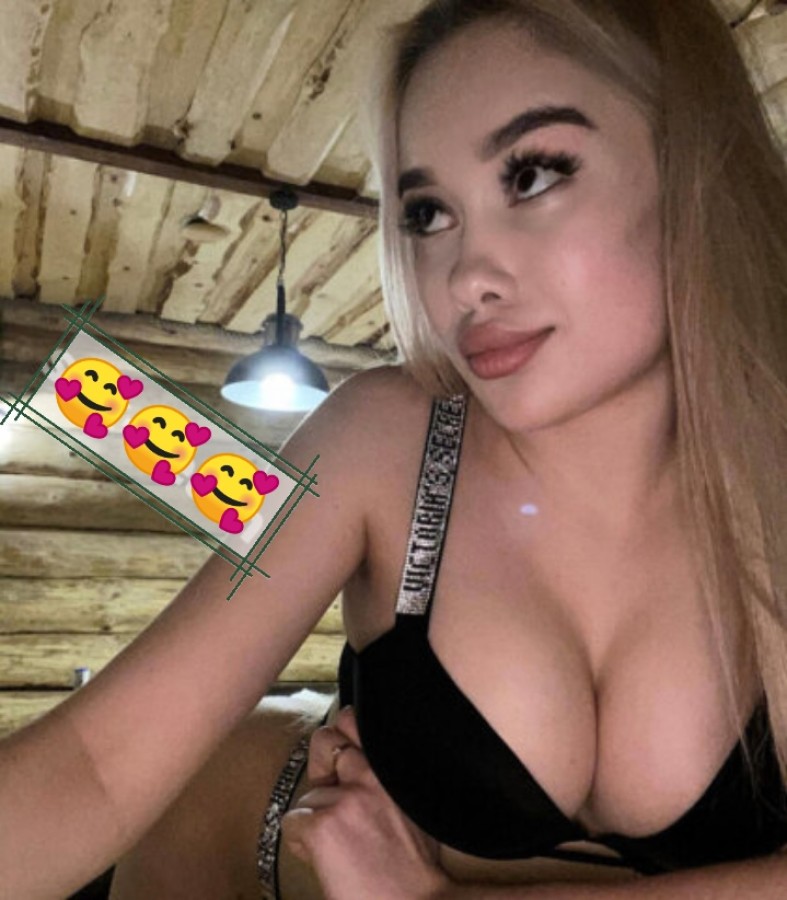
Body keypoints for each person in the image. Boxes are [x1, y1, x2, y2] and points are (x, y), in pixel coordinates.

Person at [5, 0, 787, 897]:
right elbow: (96, 765)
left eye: (531, 175)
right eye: (427, 213)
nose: (465, 276)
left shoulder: (770, 469)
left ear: (693, 170)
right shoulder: (381, 440)